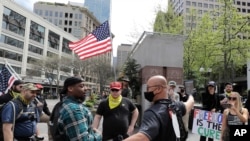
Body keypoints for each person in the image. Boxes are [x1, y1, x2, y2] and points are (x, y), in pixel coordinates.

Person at [124, 75, 194, 141]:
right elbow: (190, 103)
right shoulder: (177, 106)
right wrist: (190, 95)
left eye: (148, 88)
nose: (146, 91)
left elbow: (143, 137)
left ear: (158, 89)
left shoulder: (153, 113)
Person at [57, 76, 102, 141]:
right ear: (70, 88)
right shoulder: (74, 110)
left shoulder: (67, 104)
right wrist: (98, 135)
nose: (86, 88)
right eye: (81, 86)